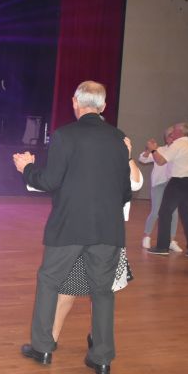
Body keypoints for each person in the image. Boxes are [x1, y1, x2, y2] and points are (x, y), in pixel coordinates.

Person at [13, 81, 131, 374]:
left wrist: (26, 169)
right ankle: (102, 359)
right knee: (102, 292)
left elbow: (49, 181)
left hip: (69, 226)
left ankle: (42, 348)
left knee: (49, 281)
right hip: (108, 229)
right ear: (103, 106)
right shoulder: (119, 138)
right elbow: (125, 192)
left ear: (75, 103)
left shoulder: (65, 135)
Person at [51, 137, 143, 348]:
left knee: (87, 291)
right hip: (100, 237)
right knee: (87, 291)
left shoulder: (112, 166)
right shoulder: (97, 166)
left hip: (93, 236)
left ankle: (57, 340)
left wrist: (128, 156)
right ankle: (86, 341)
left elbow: (137, 183)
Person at [146, 122, 188, 257]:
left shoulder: (178, 144)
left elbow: (161, 161)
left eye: (175, 130)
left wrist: (153, 150)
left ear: (180, 132)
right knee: (186, 214)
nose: (172, 132)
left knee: (164, 212)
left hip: (178, 182)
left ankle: (162, 247)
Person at [138, 126, 181, 251]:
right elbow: (142, 159)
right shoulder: (159, 150)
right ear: (167, 138)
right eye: (171, 136)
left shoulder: (179, 151)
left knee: (174, 213)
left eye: (176, 136)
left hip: (173, 185)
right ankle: (146, 236)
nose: (174, 138)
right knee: (156, 211)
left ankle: (171, 240)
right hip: (159, 184)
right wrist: (149, 150)